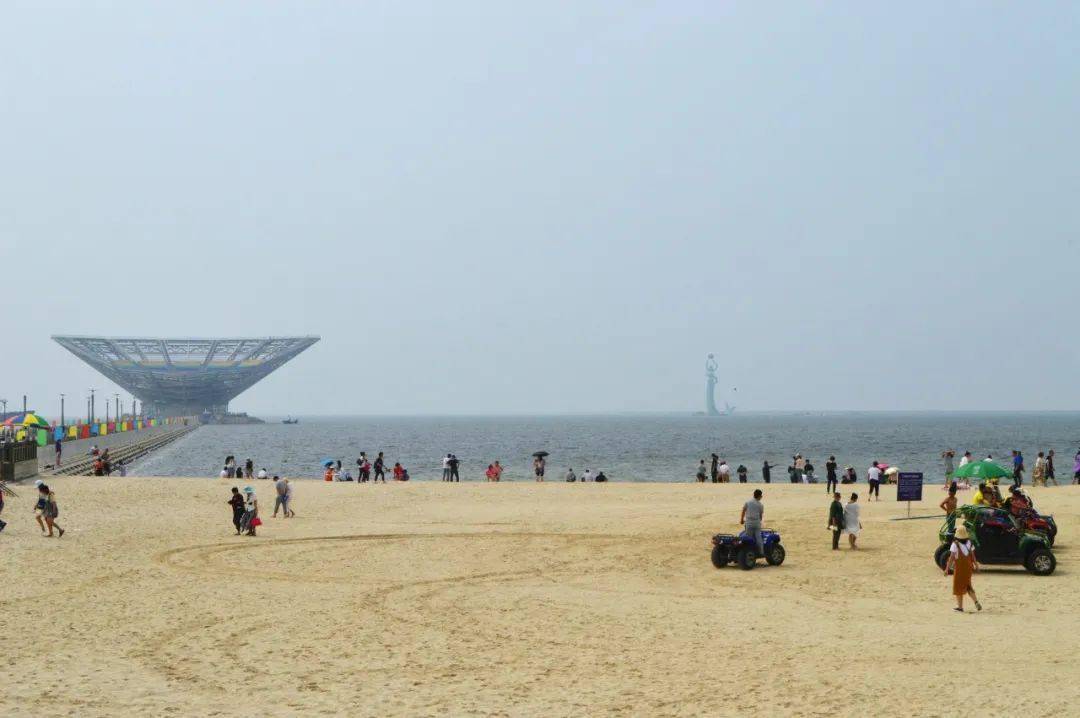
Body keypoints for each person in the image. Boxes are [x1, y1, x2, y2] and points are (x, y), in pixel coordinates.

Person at [944, 525, 981, 612]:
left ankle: (960, 607)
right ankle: (976, 601)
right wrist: (976, 565)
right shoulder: (969, 543)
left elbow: (951, 558)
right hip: (968, 568)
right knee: (968, 585)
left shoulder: (955, 544)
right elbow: (973, 556)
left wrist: (947, 569)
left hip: (960, 569)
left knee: (958, 587)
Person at [740, 489, 765, 557]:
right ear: (759, 496)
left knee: (748, 538)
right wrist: (759, 522)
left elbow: (743, 511)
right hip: (757, 523)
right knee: (758, 537)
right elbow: (760, 516)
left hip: (749, 523)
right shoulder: (760, 505)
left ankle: (749, 551)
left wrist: (741, 519)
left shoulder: (748, 502)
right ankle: (761, 552)